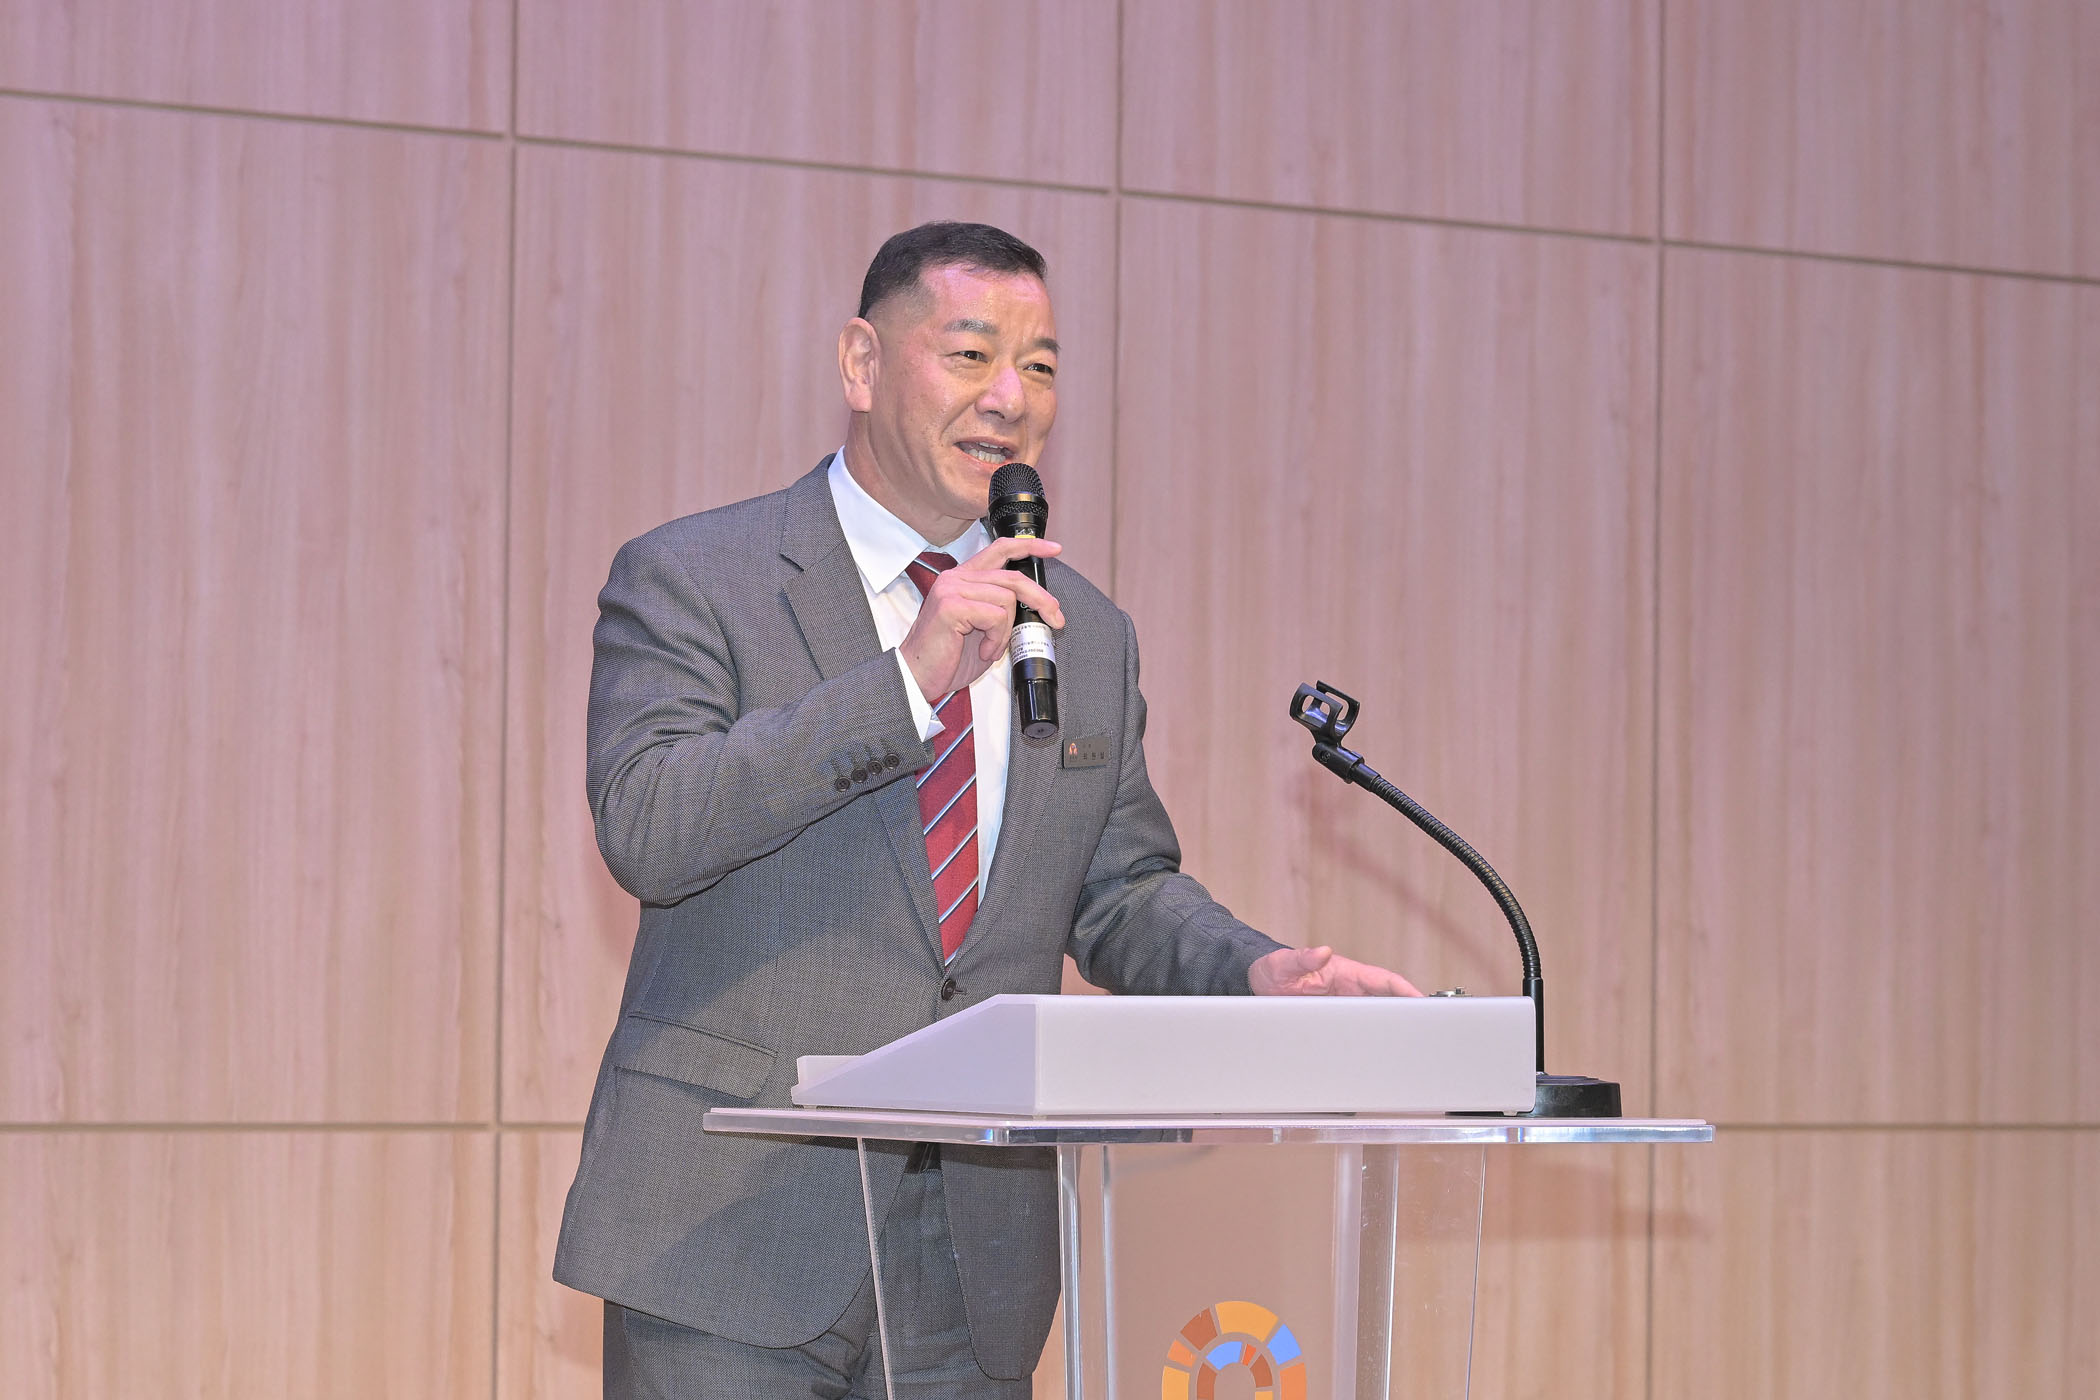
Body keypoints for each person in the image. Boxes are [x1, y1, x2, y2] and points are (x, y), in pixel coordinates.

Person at [555, 221, 1418, 1398]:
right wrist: (905, 682)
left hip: (976, 1256)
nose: (1011, 397)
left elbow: (1119, 889)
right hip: (728, 1231)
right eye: (971, 355)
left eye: (1042, 365)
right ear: (863, 363)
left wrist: (1256, 973)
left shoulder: (1081, 632)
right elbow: (649, 823)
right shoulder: (698, 575)